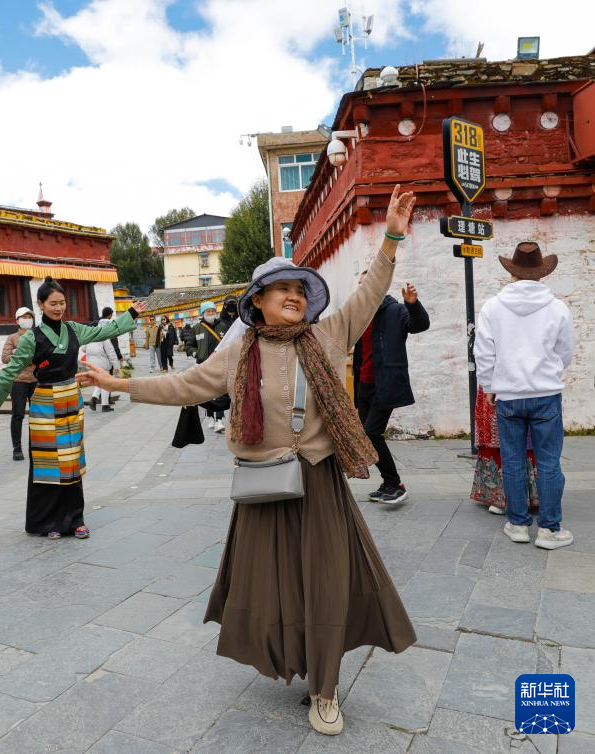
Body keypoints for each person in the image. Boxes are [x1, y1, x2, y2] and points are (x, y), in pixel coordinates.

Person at [78, 186, 419, 736]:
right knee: (274, 588)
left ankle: (325, 689)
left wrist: (392, 239)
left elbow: (368, 293)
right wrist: (119, 384)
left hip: (319, 482)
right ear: (257, 301)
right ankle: (292, 657)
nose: (294, 296)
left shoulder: (328, 334)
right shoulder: (238, 352)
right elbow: (185, 385)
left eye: (300, 289)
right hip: (265, 486)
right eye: (282, 289)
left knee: (327, 583)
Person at [0, 277, 146, 540]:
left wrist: (131, 313)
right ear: (40, 305)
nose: (59, 308)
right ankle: (49, 521)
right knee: (48, 462)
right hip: (45, 403)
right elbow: (10, 372)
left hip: (71, 399)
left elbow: (103, 332)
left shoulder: (74, 329)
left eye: (62, 303)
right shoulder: (31, 338)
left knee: (71, 460)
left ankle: (75, 519)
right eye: (53, 303)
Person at [474, 241, 576, 550]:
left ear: (513, 272)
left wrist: (490, 386)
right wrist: (548, 373)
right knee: (548, 461)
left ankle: (518, 524)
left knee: (513, 460)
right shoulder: (557, 307)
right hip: (545, 393)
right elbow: (565, 351)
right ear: (541, 272)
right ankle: (549, 529)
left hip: (508, 394)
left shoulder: (493, 307)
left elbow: (484, 353)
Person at [351, 277, 430, 503]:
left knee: (371, 433)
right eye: (360, 283)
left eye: (368, 281)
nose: (363, 286)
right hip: (363, 384)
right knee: (367, 437)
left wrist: (413, 304)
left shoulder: (395, 310)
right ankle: (388, 483)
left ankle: (395, 485)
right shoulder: (362, 313)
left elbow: (419, 325)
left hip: (385, 383)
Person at [471, 385, 540, 515]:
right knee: (497, 434)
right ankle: (503, 497)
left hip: (522, 385)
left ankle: (520, 499)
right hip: (501, 384)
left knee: (526, 434)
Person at [4, 307, 38, 461]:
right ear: (17, 321)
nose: (27, 320)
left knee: (37, 415)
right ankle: (17, 448)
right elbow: (5, 358)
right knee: (18, 415)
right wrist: (20, 354)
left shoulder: (37, 336)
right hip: (18, 382)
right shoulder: (12, 338)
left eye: (29, 317)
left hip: (36, 381)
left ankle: (35, 446)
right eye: (24, 317)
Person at [194, 301, 226, 432]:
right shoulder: (197, 328)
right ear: (203, 313)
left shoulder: (222, 326)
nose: (211, 313)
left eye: (213, 311)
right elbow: (189, 344)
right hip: (204, 365)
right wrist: (195, 353)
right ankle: (210, 416)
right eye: (208, 311)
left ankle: (219, 419)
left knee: (220, 391)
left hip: (220, 364)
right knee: (208, 392)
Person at [85, 312, 124, 413]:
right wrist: (116, 366)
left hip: (91, 364)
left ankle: (94, 399)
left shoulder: (87, 338)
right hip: (102, 364)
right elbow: (111, 352)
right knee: (105, 383)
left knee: (100, 382)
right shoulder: (103, 337)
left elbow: (83, 349)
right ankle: (104, 405)